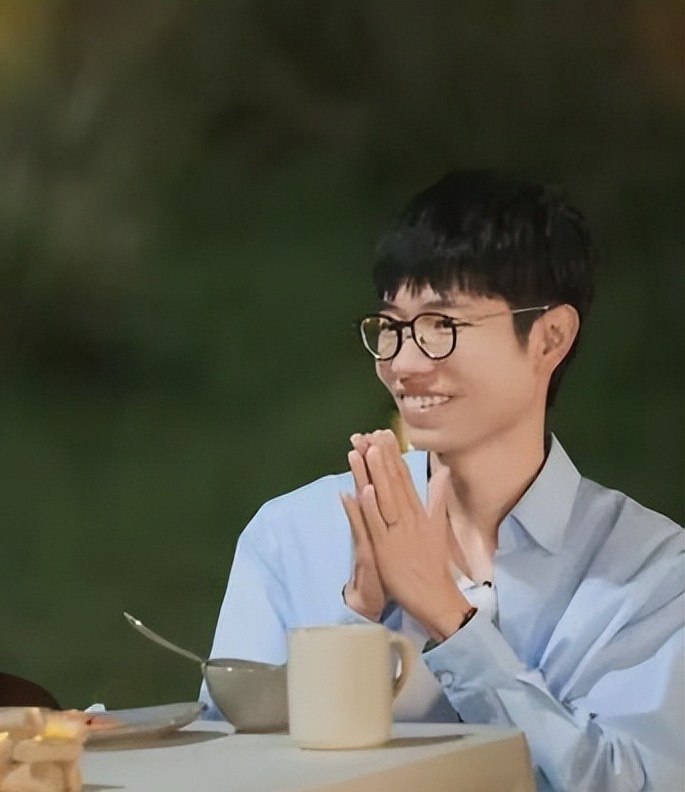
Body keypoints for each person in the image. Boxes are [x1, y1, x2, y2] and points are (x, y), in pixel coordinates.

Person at [203, 170, 683, 791]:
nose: (403, 364)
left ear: (550, 338)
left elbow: (635, 782)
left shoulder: (650, 571)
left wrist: (449, 618)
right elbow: (223, 769)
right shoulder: (293, 534)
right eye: (392, 327)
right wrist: (357, 618)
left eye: (442, 326)